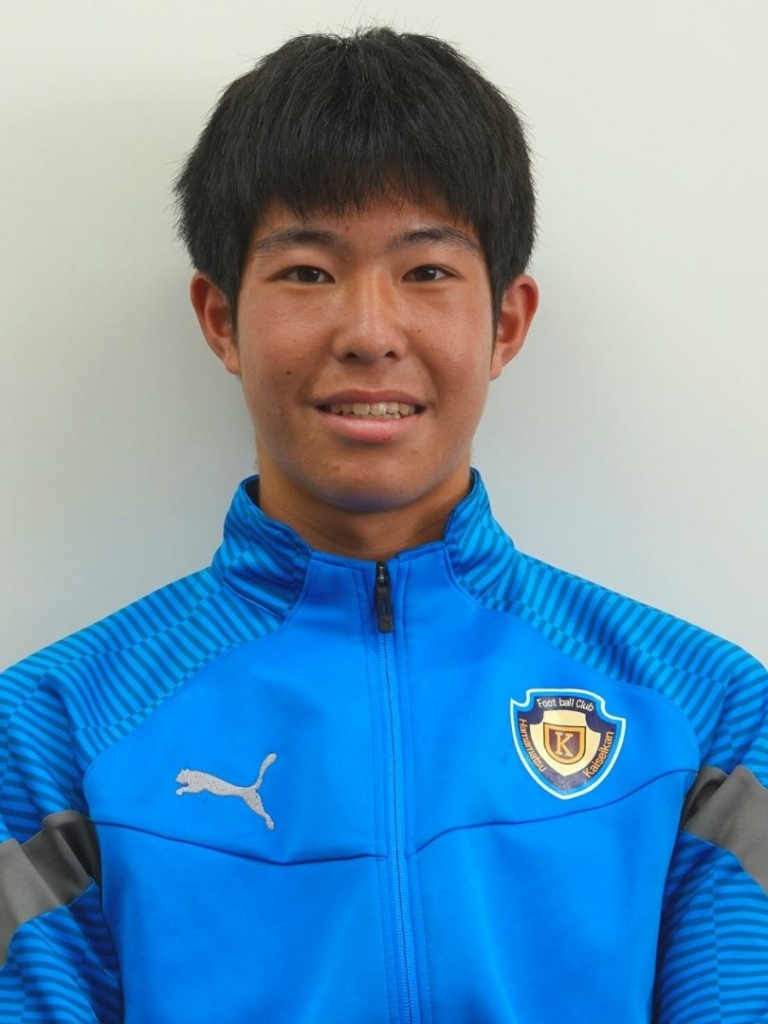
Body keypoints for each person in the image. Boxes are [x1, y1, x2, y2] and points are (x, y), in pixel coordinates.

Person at [0, 26, 766, 1024]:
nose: (369, 333)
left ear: (506, 323)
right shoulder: (54, 730)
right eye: (308, 272)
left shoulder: (709, 714)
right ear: (222, 319)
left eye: (427, 271)